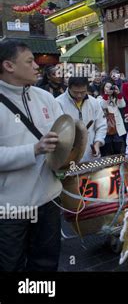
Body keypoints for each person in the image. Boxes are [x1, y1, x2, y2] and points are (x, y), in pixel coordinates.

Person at [0, 39, 63, 271]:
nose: (37, 66)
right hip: (10, 207)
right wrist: (34, 149)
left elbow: (63, 136)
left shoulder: (44, 97)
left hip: (49, 199)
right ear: (9, 66)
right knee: (10, 265)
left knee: (46, 263)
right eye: (29, 61)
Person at [56, 76, 107, 162]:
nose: (79, 95)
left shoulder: (93, 102)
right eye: (75, 92)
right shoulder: (58, 103)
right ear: (69, 87)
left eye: (83, 92)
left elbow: (101, 125)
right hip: (68, 154)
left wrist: (97, 143)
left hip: (91, 152)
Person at [97, 80, 126, 156]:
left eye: (111, 87)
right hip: (106, 127)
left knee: (118, 148)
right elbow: (103, 106)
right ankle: (109, 166)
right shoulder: (99, 98)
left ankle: (118, 165)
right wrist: (106, 95)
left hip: (117, 127)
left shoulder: (115, 98)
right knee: (107, 149)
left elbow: (122, 105)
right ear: (103, 88)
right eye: (107, 87)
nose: (109, 89)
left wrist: (118, 93)